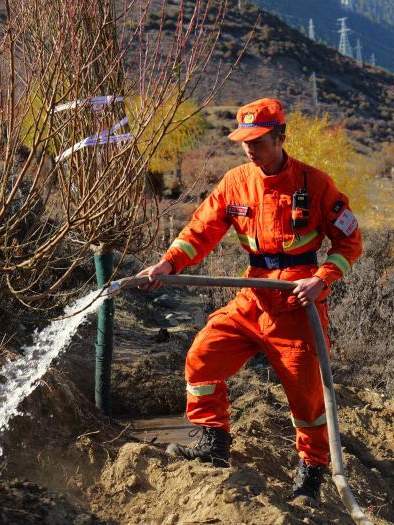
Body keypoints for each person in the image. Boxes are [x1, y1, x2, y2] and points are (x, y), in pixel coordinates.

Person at [138, 98, 362, 506]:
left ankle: (311, 474)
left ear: (280, 138)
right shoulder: (236, 182)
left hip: (297, 305)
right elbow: (200, 230)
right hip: (253, 296)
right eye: (245, 141)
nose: (249, 148)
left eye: (258, 141)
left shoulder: (316, 184)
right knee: (202, 358)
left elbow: (349, 242)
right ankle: (213, 444)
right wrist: (169, 263)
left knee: (308, 398)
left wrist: (321, 279)